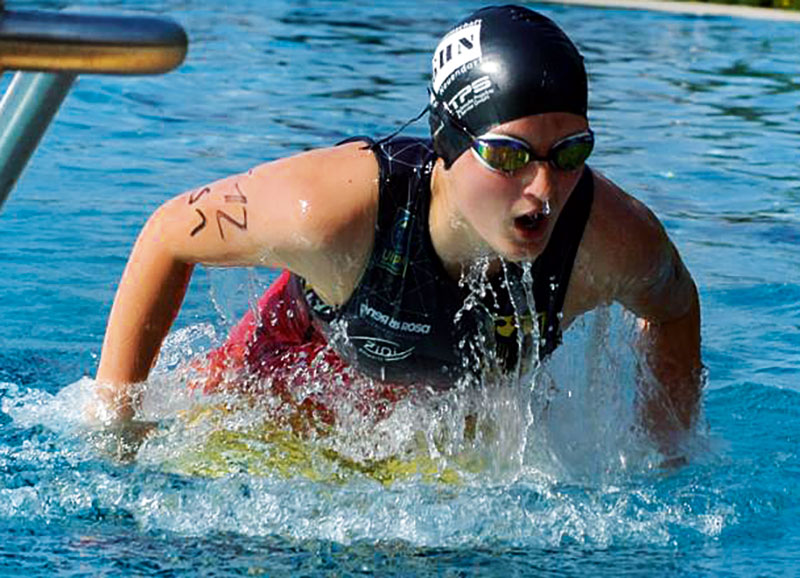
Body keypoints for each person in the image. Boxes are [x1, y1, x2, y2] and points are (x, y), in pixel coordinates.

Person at [93, 5, 702, 455]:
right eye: (510, 155)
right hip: (298, 361)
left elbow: (674, 306)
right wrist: (115, 425)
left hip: (452, 416)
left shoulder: (606, 238)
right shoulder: (335, 211)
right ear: (447, 144)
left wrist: (666, 453)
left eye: (569, 154)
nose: (543, 191)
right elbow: (169, 232)